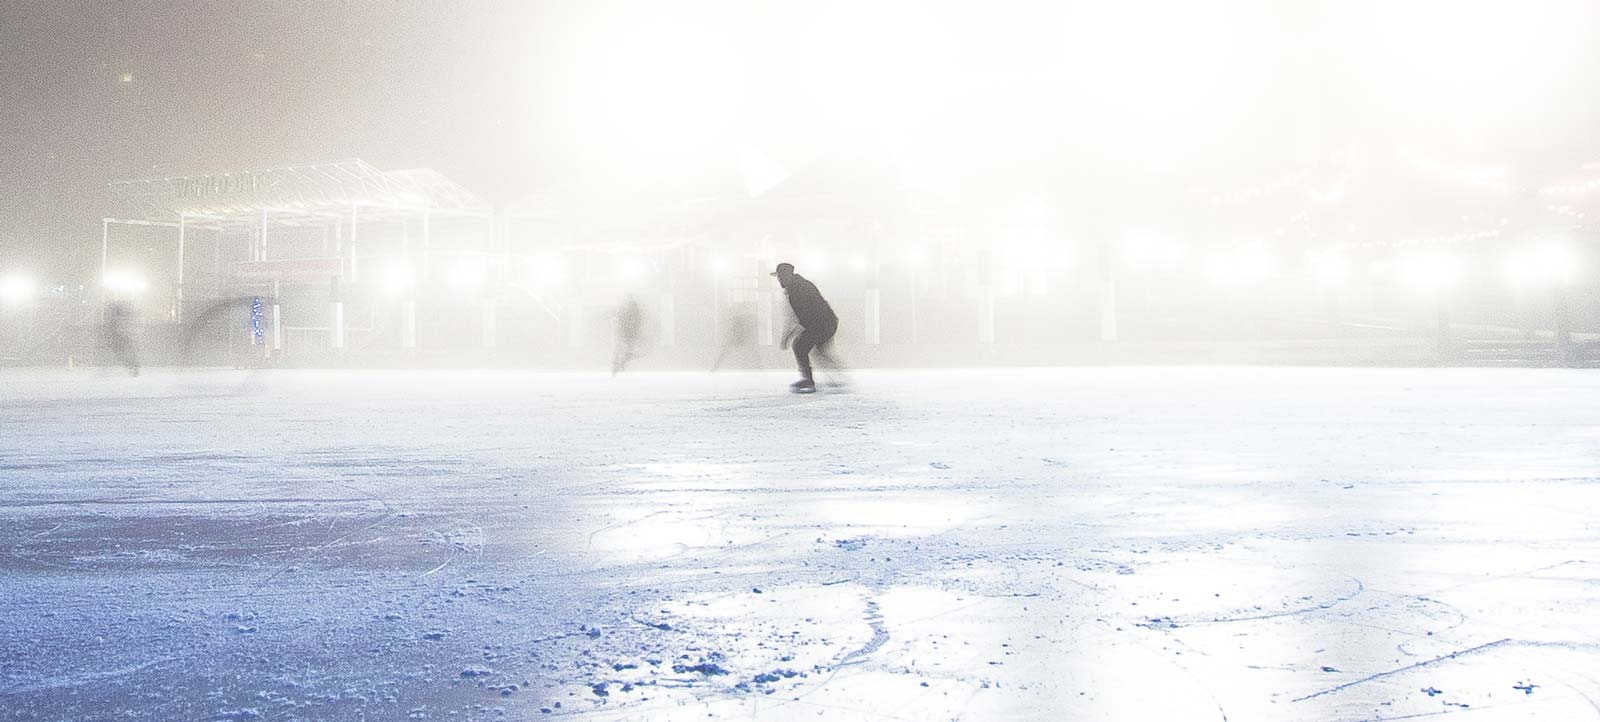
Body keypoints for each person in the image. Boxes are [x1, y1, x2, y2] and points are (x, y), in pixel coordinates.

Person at [771, 262, 839, 393]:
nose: (779, 280)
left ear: (787, 275)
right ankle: (836, 376)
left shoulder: (798, 289)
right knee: (814, 350)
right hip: (824, 323)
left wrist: (789, 335)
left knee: (800, 346)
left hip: (823, 323)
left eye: (780, 276)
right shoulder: (797, 287)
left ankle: (809, 381)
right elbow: (801, 318)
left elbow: (804, 316)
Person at [100, 302, 140, 376]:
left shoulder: (121, 320)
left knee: (125, 354)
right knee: (123, 354)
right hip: (119, 340)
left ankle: (133, 367)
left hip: (121, 340)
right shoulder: (117, 321)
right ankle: (132, 367)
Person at [611, 294, 644, 375]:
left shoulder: (628, 310)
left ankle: (619, 364)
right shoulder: (629, 310)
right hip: (628, 333)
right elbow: (637, 321)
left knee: (623, 350)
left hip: (627, 333)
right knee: (625, 350)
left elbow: (636, 321)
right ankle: (619, 364)